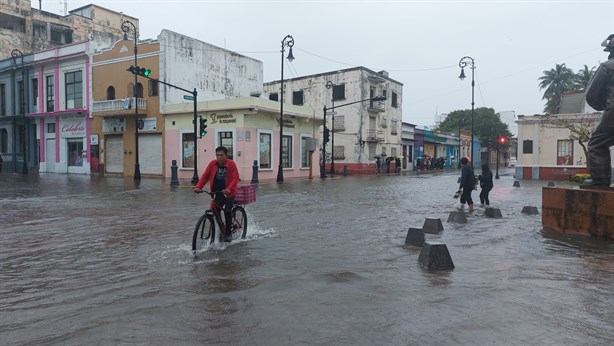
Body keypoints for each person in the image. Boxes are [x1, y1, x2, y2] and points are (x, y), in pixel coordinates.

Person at [583, 34, 614, 187]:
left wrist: (604, 106)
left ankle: (601, 181)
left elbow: (592, 94)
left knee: (597, 144)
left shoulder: (608, 66)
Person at [193, 146, 240, 242]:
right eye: (217, 155)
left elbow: (236, 177)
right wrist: (198, 187)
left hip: (229, 193)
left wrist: (228, 189)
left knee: (227, 211)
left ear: (226, 156)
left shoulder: (231, 164)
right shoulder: (212, 164)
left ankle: (228, 233)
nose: (219, 157)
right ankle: (222, 227)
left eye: (221, 155)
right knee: (215, 211)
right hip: (217, 192)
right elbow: (205, 176)